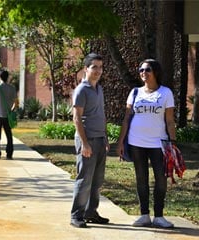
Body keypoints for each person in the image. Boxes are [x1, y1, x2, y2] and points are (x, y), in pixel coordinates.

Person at [116, 59, 176, 228]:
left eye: (147, 69)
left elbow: (170, 121)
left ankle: (159, 216)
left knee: (161, 179)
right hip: (136, 142)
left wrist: (172, 143)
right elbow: (127, 118)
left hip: (159, 144)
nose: (143, 72)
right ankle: (144, 215)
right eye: (140, 69)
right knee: (141, 178)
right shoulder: (135, 92)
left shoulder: (165, 93)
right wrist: (121, 142)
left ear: (155, 72)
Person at [70, 53, 110, 228]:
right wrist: (85, 143)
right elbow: (77, 118)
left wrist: (105, 138)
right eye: (94, 67)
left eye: (100, 67)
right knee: (84, 179)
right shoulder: (81, 90)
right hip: (87, 140)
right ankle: (76, 215)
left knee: (97, 180)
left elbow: (100, 115)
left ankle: (91, 212)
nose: (98, 71)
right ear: (85, 69)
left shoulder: (99, 89)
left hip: (100, 139)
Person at [0, 69, 18, 160]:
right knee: (9, 135)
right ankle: (9, 154)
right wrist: (11, 110)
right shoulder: (12, 88)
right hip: (7, 115)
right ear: (7, 77)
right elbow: (16, 103)